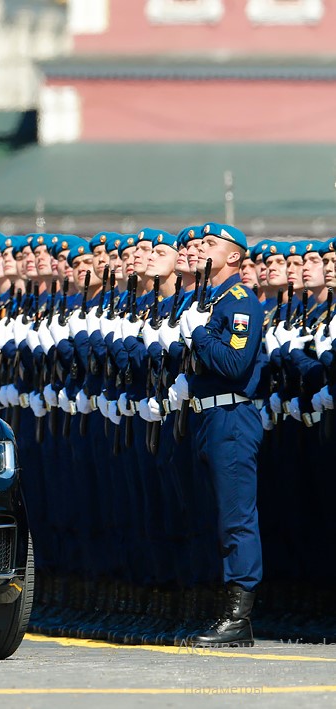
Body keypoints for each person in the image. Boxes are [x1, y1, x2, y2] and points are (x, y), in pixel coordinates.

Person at [178, 222, 265, 646]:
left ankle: (238, 617)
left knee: (237, 519)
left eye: (210, 244)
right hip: (206, 416)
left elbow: (233, 364)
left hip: (231, 417)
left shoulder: (238, 301)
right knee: (211, 517)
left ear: (233, 256)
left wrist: (198, 333)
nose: (200, 248)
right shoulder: (209, 301)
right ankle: (217, 607)